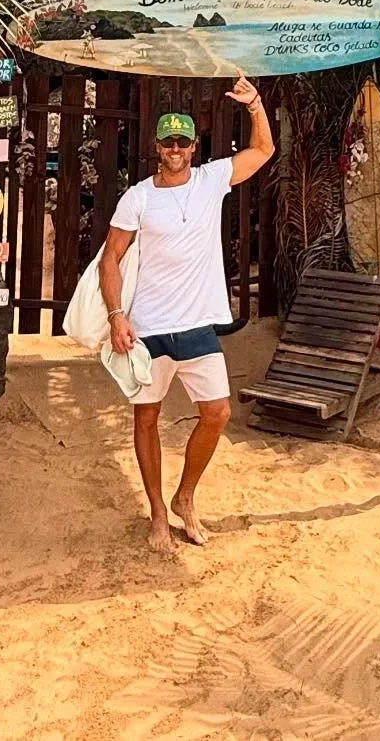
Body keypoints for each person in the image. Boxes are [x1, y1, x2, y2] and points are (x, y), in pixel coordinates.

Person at [99, 73, 275, 554]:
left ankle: (185, 496)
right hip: (149, 328)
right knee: (146, 417)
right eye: (168, 142)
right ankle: (157, 511)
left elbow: (263, 151)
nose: (175, 149)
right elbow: (111, 258)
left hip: (197, 325)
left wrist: (254, 104)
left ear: (194, 147)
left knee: (217, 413)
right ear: (157, 147)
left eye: (183, 142)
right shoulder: (138, 196)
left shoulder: (211, 180)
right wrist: (117, 315)